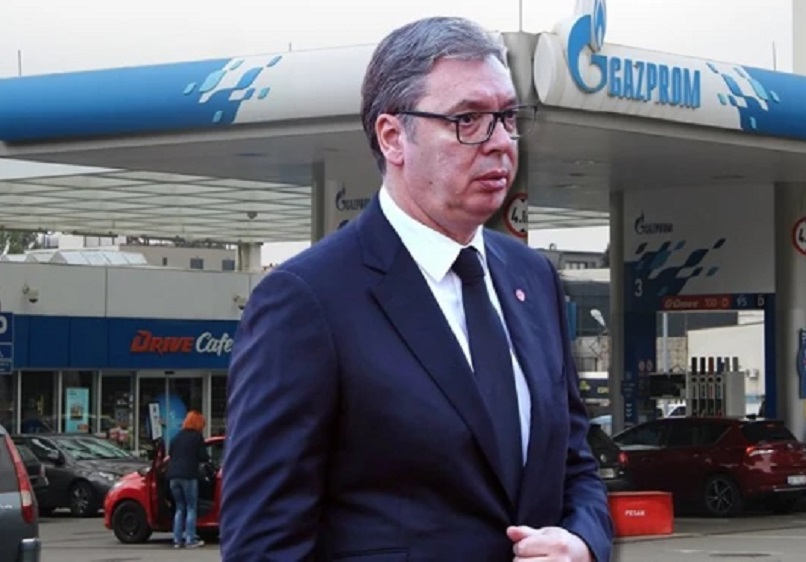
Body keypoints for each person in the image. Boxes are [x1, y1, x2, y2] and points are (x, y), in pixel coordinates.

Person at [220, 15, 613, 562]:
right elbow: (263, 543)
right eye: (468, 120)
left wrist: (584, 541)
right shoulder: (306, 300)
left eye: (507, 117)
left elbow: (575, 463)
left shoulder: (534, 278)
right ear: (393, 137)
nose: (500, 142)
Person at [166, 410, 208, 549]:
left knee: (179, 507)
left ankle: (177, 540)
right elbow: (204, 457)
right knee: (191, 507)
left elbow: (170, 454)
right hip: (188, 475)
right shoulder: (197, 437)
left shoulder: (176, 437)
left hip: (173, 477)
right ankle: (190, 539)